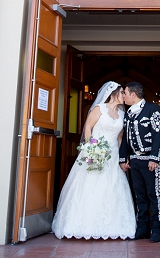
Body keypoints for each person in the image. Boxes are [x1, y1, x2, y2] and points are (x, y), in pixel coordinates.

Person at [52, 81, 136, 240]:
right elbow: (88, 128)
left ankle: (113, 226)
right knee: (89, 187)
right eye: (122, 93)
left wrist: (122, 158)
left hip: (112, 156)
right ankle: (82, 226)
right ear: (113, 94)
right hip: (95, 151)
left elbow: (119, 138)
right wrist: (91, 150)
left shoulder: (123, 115)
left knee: (112, 188)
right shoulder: (100, 109)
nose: (124, 96)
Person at [119, 82, 160, 242]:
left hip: (149, 161)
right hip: (135, 161)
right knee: (140, 195)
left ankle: (157, 229)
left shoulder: (153, 109)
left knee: (154, 194)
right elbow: (125, 138)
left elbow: (158, 134)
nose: (122, 95)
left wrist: (154, 158)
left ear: (133, 94)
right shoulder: (128, 114)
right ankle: (143, 228)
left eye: (124, 92)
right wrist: (123, 159)